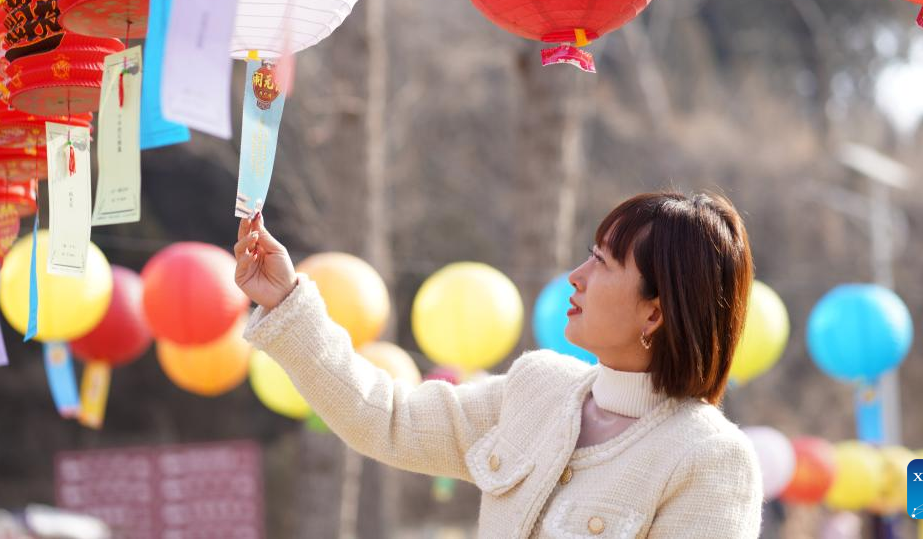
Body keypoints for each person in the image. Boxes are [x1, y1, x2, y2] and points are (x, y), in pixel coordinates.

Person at [234, 191, 764, 538]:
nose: (576, 276)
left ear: (655, 312)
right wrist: (286, 301)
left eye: (602, 263)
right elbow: (387, 418)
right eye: (589, 254)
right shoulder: (538, 387)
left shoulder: (710, 459)